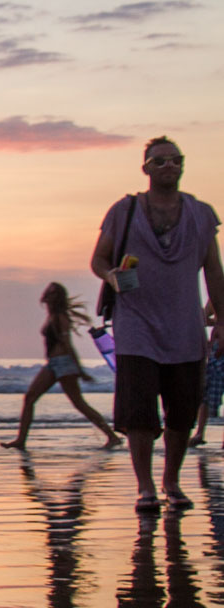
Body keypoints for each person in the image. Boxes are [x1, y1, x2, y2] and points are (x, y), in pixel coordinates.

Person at [91, 137, 224, 510]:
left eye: (175, 160)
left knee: (182, 410)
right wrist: (112, 276)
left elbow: (213, 270)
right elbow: (99, 260)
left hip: (185, 327)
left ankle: (172, 482)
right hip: (136, 325)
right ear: (145, 168)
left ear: (182, 165)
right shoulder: (125, 211)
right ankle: (145, 486)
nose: (169, 166)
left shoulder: (201, 214)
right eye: (160, 161)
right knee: (139, 413)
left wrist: (223, 323)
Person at [1, 284, 120, 450]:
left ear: (57, 297)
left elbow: (67, 344)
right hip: (53, 364)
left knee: (79, 403)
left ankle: (112, 437)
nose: (49, 295)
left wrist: (79, 369)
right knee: (30, 398)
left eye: (53, 293)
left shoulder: (60, 317)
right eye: (49, 292)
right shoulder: (52, 316)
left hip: (64, 363)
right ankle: (21, 440)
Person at [195, 302, 222, 446]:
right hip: (218, 348)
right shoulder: (219, 292)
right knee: (206, 392)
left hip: (217, 347)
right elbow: (204, 317)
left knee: (208, 391)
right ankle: (200, 432)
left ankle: (200, 433)